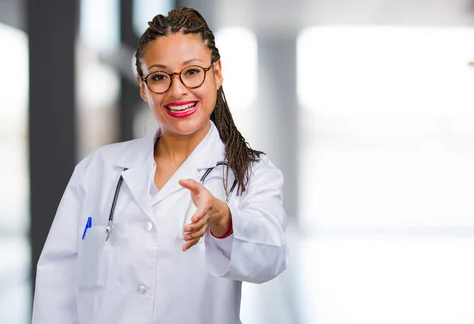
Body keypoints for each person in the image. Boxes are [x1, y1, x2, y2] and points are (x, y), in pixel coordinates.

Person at [31, 7, 287, 324]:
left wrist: (224, 220)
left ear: (217, 73)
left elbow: (270, 256)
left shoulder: (250, 172)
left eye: (192, 71)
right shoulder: (98, 169)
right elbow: (58, 280)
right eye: (160, 77)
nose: (178, 90)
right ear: (143, 87)